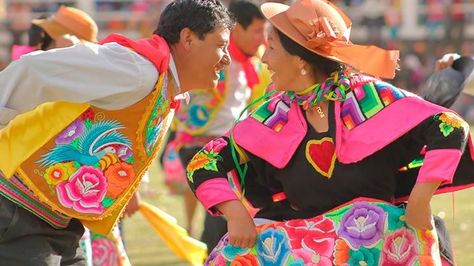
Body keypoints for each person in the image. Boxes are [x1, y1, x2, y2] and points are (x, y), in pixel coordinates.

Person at [186, 0, 474, 265]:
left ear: (301, 60)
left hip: (381, 251)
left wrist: (421, 200)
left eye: (271, 48)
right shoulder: (272, 116)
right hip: (307, 251)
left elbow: (449, 126)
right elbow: (204, 162)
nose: (265, 60)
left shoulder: (371, 98)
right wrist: (235, 214)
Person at [0, 0, 233, 264]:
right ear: (188, 39)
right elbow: (33, 69)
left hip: (58, 221)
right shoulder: (137, 70)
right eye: (221, 46)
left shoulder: (163, 85)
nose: (227, 58)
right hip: (18, 207)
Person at [165, 0, 268, 250]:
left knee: (227, 216)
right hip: (204, 145)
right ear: (236, 30)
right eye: (256, 31)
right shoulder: (217, 60)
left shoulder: (251, 63)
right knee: (226, 213)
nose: (262, 39)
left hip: (230, 147)